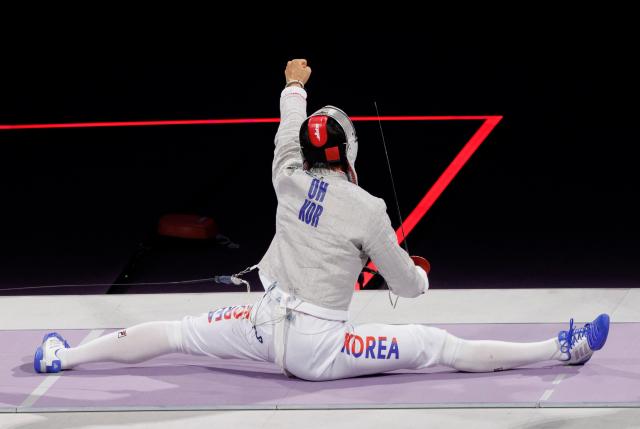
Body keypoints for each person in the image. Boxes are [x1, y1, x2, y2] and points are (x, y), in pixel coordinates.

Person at [34, 59, 610, 380]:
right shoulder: (368, 208)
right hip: (322, 350)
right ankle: (562, 351)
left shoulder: (287, 176)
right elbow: (408, 288)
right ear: (349, 152)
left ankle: (61, 357)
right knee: (437, 345)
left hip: (261, 326)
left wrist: (292, 86)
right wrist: (419, 273)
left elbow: (288, 133)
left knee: (177, 333)